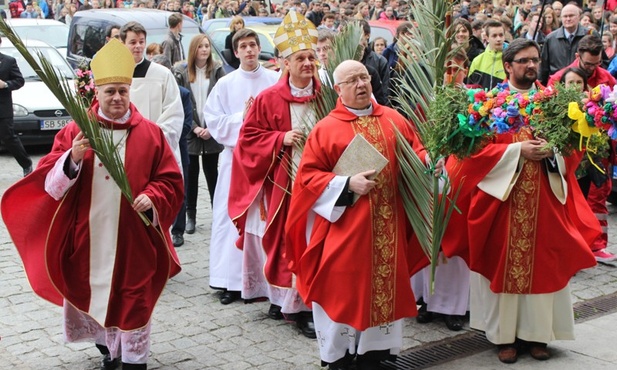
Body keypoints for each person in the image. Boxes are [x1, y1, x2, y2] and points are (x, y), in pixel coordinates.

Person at [1, 39, 184, 370]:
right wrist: (72, 157)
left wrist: (154, 197)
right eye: (110, 91)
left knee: (134, 300)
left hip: (133, 240)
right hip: (89, 238)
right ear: (96, 93)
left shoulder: (151, 134)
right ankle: (109, 350)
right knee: (95, 295)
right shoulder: (77, 130)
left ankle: (134, 361)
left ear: (131, 93)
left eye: (122, 92)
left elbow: (171, 181)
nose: (117, 98)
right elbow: (48, 181)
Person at [442, 38, 599, 364]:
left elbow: (573, 149)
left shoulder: (553, 101)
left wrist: (552, 151)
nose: (531, 65)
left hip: (545, 201)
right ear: (508, 65)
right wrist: (516, 150)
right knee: (503, 268)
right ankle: (504, 337)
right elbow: (472, 154)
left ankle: (538, 335)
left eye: (535, 60)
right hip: (503, 205)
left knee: (544, 266)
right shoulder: (488, 103)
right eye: (524, 60)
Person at [285, 60, 440, 369]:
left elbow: (415, 150)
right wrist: (345, 184)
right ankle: (339, 356)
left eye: (364, 77)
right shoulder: (326, 129)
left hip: (389, 227)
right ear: (338, 89)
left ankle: (377, 353)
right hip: (346, 229)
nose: (360, 84)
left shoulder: (394, 118)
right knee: (343, 290)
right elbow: (308, 178)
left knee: (384, 288)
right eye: (352, 80)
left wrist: (427, 162)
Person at [228, 11, 319, 338]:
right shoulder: (268, 99)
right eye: (300, 59)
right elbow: (247, 140)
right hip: (285, 184)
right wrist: (280, 138)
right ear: (285, 63)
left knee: (315, 244)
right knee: (289, 244)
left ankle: (309, 303)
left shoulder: (327, 96)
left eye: (311, 57)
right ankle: (294, 304)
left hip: (322, 187)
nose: (308, 64)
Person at [203, 28, 279, 304]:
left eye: (252, 45)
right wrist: (242, 117)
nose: (248, 51)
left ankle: (265, 281)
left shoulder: (274, 80)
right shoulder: (225, 83)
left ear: (259, 49)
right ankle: (229, 281)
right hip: (234, 160)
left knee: (263, 219)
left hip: (266, 161)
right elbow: (213, 121)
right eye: (243, 47)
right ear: (235, 53)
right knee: (228, 217)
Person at [173, 34, 225, 237]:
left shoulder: (217, 70)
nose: (204, 50)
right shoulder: (182, 71)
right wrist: (194, 127)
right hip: (191, 132)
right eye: (201, 46)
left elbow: (222, 100)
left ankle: (218, 216)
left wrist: (212, 128)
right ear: (193, 49)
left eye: (207, 46)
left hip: (212, 131)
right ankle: (191, 216)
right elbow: (181, 103)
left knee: (214, 176)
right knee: (191, 177)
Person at [120, 21, 184, 173]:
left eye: (141, 42)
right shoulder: (115, 76)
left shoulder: (162, 74)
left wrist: (151, 142)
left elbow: (173, 113)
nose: (138, 46)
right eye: (133, 42)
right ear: (123, 44)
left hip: (155, 148)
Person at [0, 37, 33, 177]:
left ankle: (26, 164)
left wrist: (5, 85)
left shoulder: (8, 61)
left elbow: (19, 80)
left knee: (8, 137)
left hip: (2, 107)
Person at [540, 4, 590, 84]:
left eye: (571, 16)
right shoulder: (550, 39)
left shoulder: (589, 36)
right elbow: (544, 68)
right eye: (565, 16)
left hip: (582, 85)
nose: (568, 19)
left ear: (579, 16)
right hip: (557, 86)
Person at [467, 20, 506, 89]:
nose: (498, 39)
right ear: (487, 38)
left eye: (501, 35)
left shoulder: (510, 61)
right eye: (494, 36)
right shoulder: (477, 61)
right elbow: (470, 88)